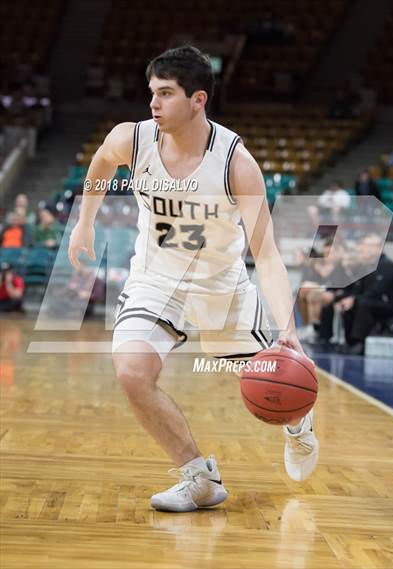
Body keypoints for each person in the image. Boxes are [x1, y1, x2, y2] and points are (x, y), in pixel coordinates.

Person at [68, 45, 319, 513]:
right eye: (151, 93)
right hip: (154, 282)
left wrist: (288, 327)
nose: (154, 103)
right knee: (131, 372)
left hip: (220, 289)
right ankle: (198, 478)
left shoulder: (235, 163)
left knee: (282, 377)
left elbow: (265, 252)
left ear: (198, 99)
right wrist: (85, 221)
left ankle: (298, 426)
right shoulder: (133, 139)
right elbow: (102, 162)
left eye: (166, 93)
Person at [319, 234, 393, 354]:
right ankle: (327, 338)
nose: (365, 248)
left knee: (361, 303)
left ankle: (357, 342)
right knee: (341, 301)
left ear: (379, 248)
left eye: (369, 246)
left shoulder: (387, 266)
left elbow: (376, 292)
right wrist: (341, 297)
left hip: (390, 306)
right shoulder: (366, 266)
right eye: (364, 245)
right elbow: (357, 288)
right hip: (371, 300)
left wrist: (354, 299)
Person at [295, 237, 346, 342]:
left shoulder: (341, 264)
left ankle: (314, 326)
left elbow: (337, 285)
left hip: (336, 293)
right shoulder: (319, 264)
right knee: (301, 292)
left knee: (313, 294)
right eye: (325, 253)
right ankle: (307, 326)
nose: (327, 255)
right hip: (324, 289)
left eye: (330, 252)